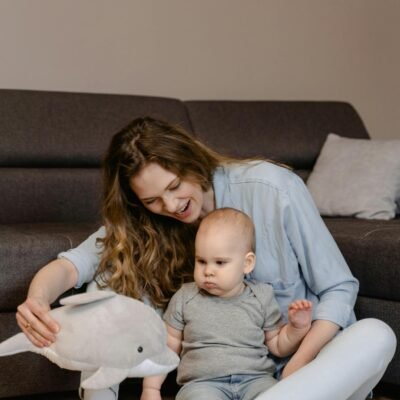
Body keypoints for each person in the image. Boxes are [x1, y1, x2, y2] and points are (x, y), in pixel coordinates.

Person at [16, 117, 396, 400]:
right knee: (104, 295)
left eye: (174, 186)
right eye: (152, 200)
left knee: (377, 335)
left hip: (304, 376)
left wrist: (294, 373)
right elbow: (71, 266)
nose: (171, 206)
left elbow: (339, 288)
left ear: (191, 162)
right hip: (215, 385)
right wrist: (37, 299)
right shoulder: (147, 224)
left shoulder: (272, 188)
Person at [141, 207, 313, 400]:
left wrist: (297, 328)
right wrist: (151, 388)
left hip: (255, 380)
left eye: (220, 263)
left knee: (278, 396)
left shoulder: (261, 297)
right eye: (202, 261)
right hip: (202, 384)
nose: (208, 271)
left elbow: (278, 346)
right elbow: (167, 346)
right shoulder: (185, 297)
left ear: (247, 263)